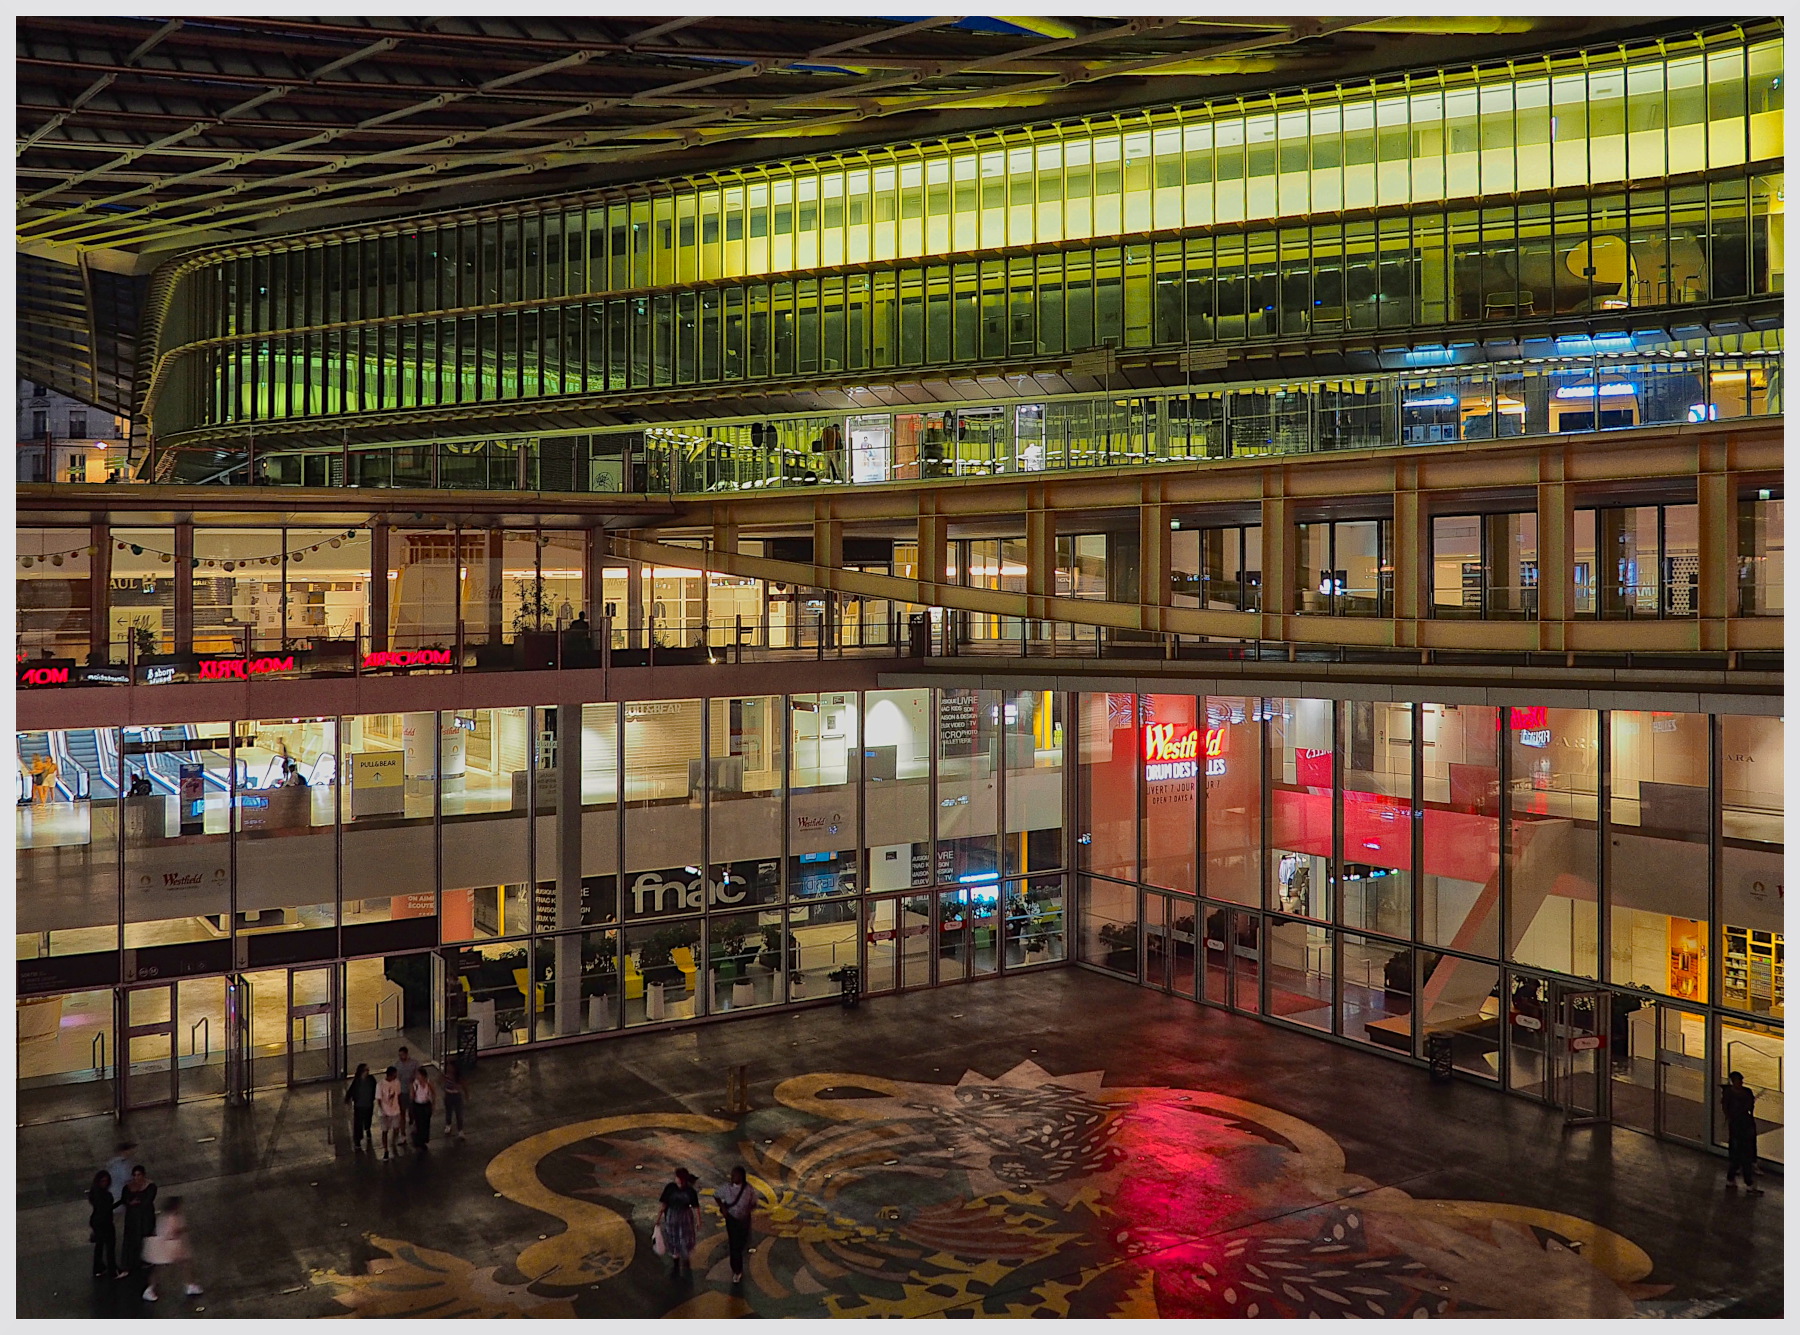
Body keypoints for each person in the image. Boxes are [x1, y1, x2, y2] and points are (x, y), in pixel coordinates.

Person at [140, 1194, 201, 1302]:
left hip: (168, 1245)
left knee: (177, 1265)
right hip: (168, 1245)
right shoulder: (172, 1217)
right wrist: (182, 1230)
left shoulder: (166, 1216)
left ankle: (189, 1285)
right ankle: (150, 1289)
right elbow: (173, 1231)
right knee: (166, 1268)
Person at [1722, 1071, 1764, 1194]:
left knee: (1738, 1155)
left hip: (1742, 1124)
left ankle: (1732, 1179)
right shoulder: (1739, 1093)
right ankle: (1748, 1183)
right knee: (1743, 1155)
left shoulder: (1734, 1093)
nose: (1740, 1083)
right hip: (1740, 1125)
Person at [715, 1165, 756, 1284]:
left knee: (742, 1242)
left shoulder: (749, 1189)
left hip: (744, 1220)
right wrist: (723, 1208)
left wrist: (747, 1210)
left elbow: (754, 1203)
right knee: (734, 1245)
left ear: (741, 1177)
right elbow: (716, 1195)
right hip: (732, 1220)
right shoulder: (726, 1188)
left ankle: (738, 1259)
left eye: (735, 1175)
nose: (732, 1177)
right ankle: (737, 1270)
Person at [656, 1167, 701, 1277]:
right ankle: (676, 1264)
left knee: (685, 1240)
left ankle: (685, 1261)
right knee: (673, 1240)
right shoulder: (670, 1188)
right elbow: (664, 1205)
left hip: (685, 1219)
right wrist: (658, 1219)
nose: (677, 1180)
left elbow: (696, 1207)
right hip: (672, 1219)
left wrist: (699, 1220)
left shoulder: (690, 1191)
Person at [119, 1165, 157, 1276]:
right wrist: (130, 1203)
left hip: (145, 1216)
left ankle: (145, 1259)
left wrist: (136, 1203)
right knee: (132, 1238)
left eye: (139, 1175)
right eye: (135, 1175)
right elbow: (124, 1199)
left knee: (145, 1237)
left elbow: (148, 1200)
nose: (136, 1177)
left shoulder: (150, 1186)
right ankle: (133, 1261)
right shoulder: (128, 1187)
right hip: (133, 1217)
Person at [87, 1171, 117, 1279]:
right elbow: (107, 1208)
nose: (105, 1183)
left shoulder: (94, 1193)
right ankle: (113, 1271)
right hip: (105, 1222)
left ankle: (98, 1268)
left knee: (99, 1245)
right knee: (110, 1246)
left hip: (96, 1221)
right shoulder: (105, 1195)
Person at [344, 1063, 377, 1151]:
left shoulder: (371, 1079)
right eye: (366, 1070)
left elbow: (375, 1089)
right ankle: (358, 1140)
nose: (368, 1072)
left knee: (368, 1118)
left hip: (368, 1104)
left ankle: (367, 1128)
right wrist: (347, 1099)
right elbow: (351, 1091)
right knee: (358, 1123)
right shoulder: (357, 1081)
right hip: (359, 1106)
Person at [376, 1065, 405, 1159]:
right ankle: (386, 1149)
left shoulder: (397, 1082)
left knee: (396, 1128)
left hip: (395, 1110)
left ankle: (393, 1142)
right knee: (385, 1131)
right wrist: (382, 1110)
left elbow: (399, 1095)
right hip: (385, 1112)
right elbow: (379, 1099)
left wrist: (400, 1107)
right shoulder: (380, 1084)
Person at [394, 1045, 419, 1137]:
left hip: (413, 1090)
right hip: (402, 1091)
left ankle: (413, 1124)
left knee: (413, 1110)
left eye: (402, 1055)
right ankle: (403, 1133)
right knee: (402, 1112)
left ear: (406, 1054)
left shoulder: (414, 1063)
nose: (401, 1057)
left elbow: (418, 1074)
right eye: (399, 1055)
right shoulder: (397, 1065)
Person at [410, 1064, 436, 1149]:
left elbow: (433, 1093)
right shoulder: (415, 1084)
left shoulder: (428, 1082)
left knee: (426, 1123)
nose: (417, 1076)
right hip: (418, 1105)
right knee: (419, 1123)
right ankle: (419, 1140)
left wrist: (433, 1104)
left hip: (426, 1104)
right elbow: (412, 1096)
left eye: (418, 1075)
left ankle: (424, 1139)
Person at [441, 1059, 465, 1139]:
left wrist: (465, 1093)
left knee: (459, 1113)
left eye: (450, 1066)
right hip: (448, 1094)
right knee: (448, 1111)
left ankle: (460, 1130)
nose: (448, 1068)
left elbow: (463, 1084)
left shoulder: (458, 1076)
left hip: (456, 1095)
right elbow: (441, 1081)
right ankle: (448, 1125)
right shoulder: (446, 1075)